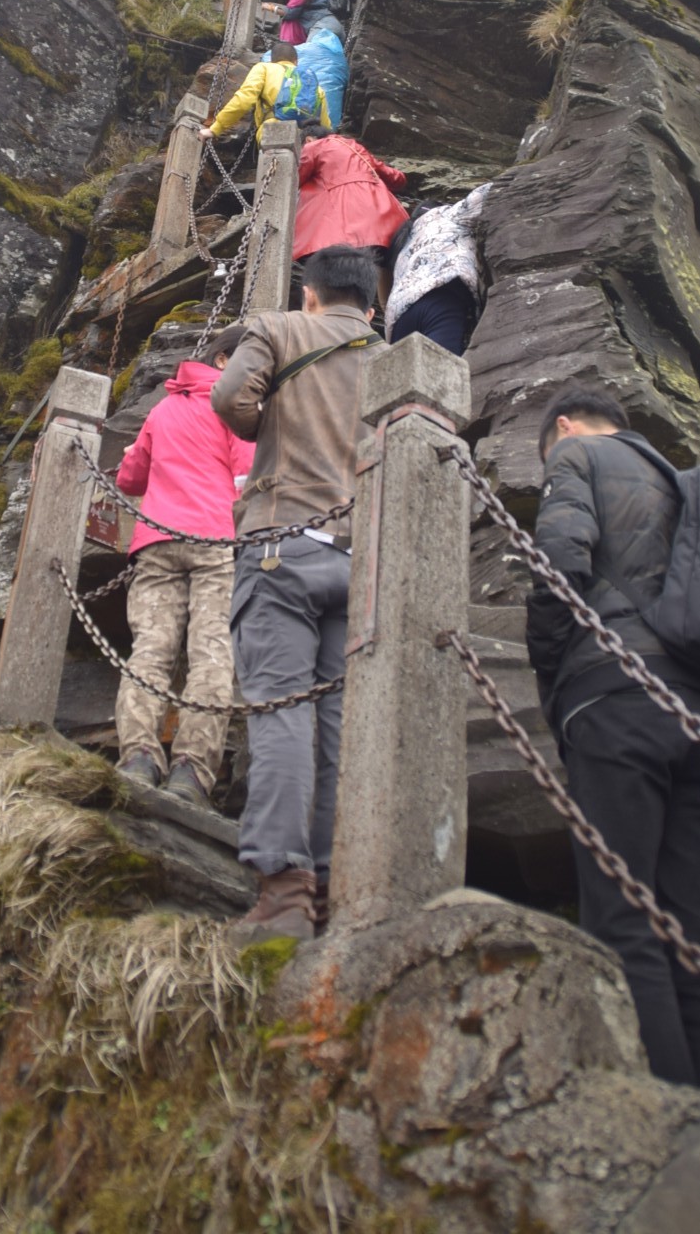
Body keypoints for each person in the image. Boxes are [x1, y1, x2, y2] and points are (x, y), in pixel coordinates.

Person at [526, 385, 700, 1106]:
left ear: (563, 427)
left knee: (624, 920)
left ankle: (673, 1134)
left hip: (619, 699)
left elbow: (559, 557)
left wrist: (550, 669)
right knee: (695, 929)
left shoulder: (575, 456)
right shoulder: (689, 483)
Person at [212, 245, 380, 940]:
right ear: (371, 307)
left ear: (310, 294)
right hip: (356, 557)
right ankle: (332, 880)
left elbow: (230, 399)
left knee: (279, 708)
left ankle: (282, 891)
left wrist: (263, 428)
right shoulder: (389, 356)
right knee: (335, 719)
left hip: (282, 540)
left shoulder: (280, 329)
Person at [114, 324, 255, 803]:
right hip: (215, 541)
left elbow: (130, 477)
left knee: (150, 650)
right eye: (248, 362)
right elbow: (247, 480)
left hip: (156, 541)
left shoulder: (163, 407)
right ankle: (191, 773)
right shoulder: (234, 408)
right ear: (223, 361)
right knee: (211, 655)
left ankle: (136, 758)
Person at [384, 184, 491, 357]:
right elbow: (485, 195)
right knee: (442, 374)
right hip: (441, 302)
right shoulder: (446, 215)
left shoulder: (405, 241)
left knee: (406, 378)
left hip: (398, 316)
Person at [293, 126, 407, 266]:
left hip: (340, 218)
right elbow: (395, 177)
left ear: (308, 139)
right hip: (375, 216)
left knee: (333, 262)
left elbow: (295, 178)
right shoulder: (355, 147)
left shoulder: (313, 146)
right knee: (380, 262)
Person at [201, 43, 331, 145]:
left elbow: (243, 100)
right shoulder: (314, 85)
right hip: (309, 140)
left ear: (272, 60)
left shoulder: (264, 68)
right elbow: (325, 126)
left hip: (274, 132)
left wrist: (215, 129)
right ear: (296, 61)